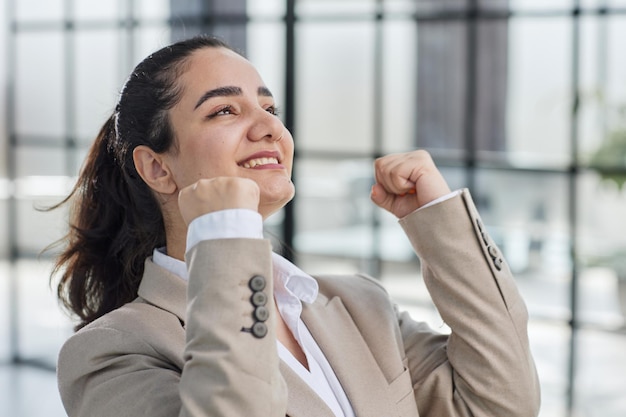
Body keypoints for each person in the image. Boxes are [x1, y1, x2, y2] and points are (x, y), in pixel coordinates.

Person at [52, 35, 540, 417]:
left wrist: (442, 222)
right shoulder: (111, 351)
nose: (269, 128)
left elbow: (502, 402)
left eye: (269, 108)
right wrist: (224, 232)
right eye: (224, 109)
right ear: (158, 168)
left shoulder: (360, 305)